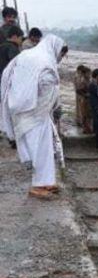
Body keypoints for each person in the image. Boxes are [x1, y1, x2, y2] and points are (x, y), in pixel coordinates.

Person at [0, 35, 68, 199]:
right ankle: (37, 185)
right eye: (61, 55)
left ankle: (46, 181)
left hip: (31, 109)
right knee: (37, 147)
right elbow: (44, 83)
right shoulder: (43, 60)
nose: (60, 58)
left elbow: (8, 76)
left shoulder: (29, 55)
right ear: (54, 49)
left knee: (45, 147)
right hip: (31, 110)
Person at [74, 65, 92, 133]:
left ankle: (87, 127)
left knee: (88, 114)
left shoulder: (88, 80)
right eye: (88, 73)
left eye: (90, 73)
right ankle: (85, 128)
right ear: (84, 74)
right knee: (85, 114)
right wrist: (85, 95)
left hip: (87, 100)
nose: (89, 75)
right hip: (84, 100)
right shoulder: (83, 81)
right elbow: (78, 90)